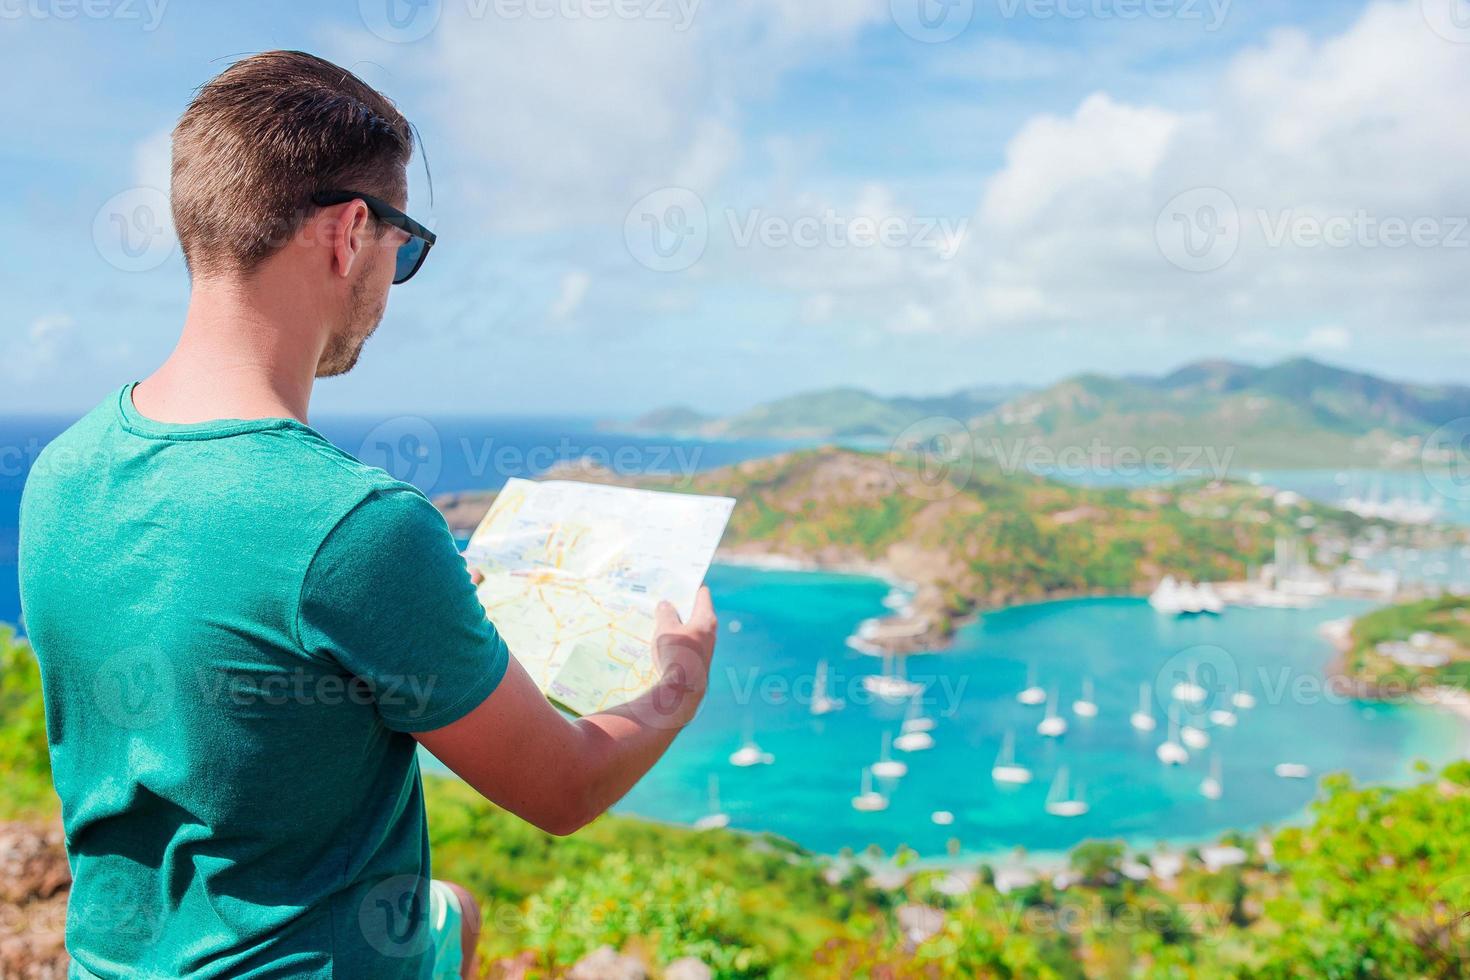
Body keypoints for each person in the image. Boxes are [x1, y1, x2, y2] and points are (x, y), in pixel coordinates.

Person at [17, 50, 716, 980]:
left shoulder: (60, 473)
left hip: (107, 965)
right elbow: (565, 785)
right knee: (454, 915)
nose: (396, 280)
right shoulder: (358, 526)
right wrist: (676, 687)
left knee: (450, 915)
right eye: (407, 249)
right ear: (350, 233)